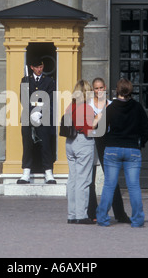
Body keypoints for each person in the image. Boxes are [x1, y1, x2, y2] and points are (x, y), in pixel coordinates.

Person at [96, 78, 148, 227]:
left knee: (109, 185)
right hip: (132, 149)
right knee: (134, 186)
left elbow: (100, 130)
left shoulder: (111, 108)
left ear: (117, 91)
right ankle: (137, 220)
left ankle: (102, 218)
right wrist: (141, 143)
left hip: (112, 148)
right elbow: (146, 129)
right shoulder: (138, 107)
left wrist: (108, 141)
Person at [87, 78, 130, 223]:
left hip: (107, 141)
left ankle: (120, 213)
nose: (99, 91)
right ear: (93, 89)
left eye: (101, 88)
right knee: (90, 178)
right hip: (92, 141)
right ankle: (91, 212)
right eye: (96, 88)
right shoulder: (88, 105)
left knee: (111, 178)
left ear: (105, 88)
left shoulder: (111, 105)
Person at [18, 57, 56, 184]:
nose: (39, 70)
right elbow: (24, 99)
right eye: (36, 67)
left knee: (45, 145)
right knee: (27, 144)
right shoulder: (25, 80)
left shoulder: (49, 81)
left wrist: (39, 111)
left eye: (41, 67)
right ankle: (26, 173)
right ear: (31, 68)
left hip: (43, 117)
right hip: (28, 117)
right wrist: (32, 112)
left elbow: (51, 99)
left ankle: (48, 173)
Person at [65, 80, 96, 224]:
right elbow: (89, 129)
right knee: (83, 180)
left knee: (72, 179)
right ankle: (81, 214)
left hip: (70, 142)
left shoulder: (70, 106)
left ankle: (71, 214)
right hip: (83, 141)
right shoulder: (87, 108)